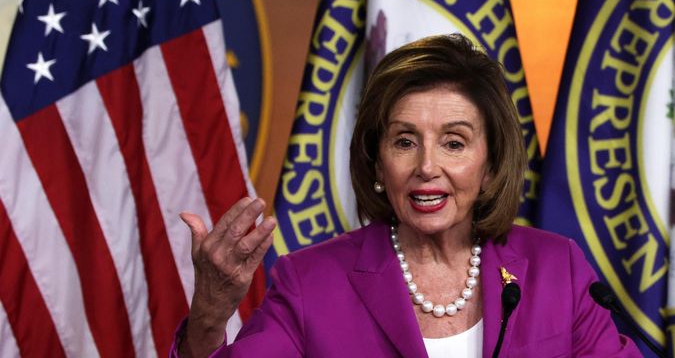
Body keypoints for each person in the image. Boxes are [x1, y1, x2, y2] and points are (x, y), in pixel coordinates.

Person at [175, 34, 640, 357]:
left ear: (491, 164)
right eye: (404, 141)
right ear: (378, 164)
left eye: (454, 143)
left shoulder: (557, 269)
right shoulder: (311, 282)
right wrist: (210, 317)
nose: (426, 167)